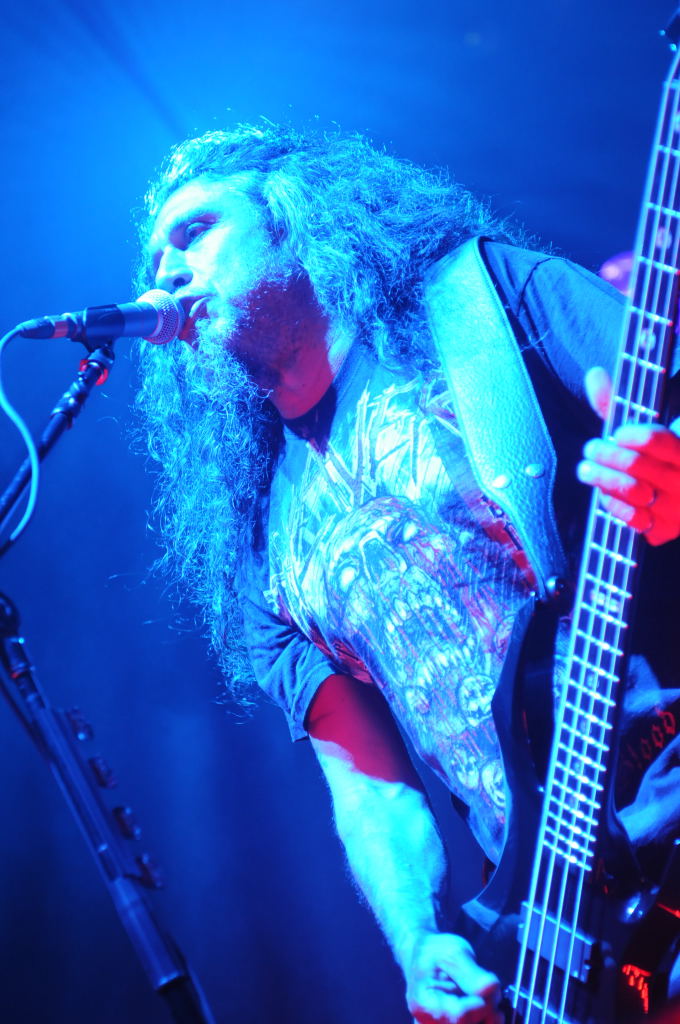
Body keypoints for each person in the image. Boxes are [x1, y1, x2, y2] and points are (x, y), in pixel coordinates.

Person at [134, 124, 680, 1024]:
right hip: (556, 927)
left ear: (294, 214)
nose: (166, 271)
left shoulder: (489, 303)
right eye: (155, 255)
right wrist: (419, 940)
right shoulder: (262, 544)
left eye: (195, 230)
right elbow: (370, 785)